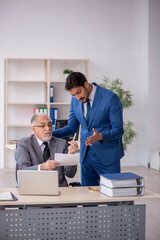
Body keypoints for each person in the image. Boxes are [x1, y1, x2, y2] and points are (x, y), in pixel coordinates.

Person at [53, 72, 124, 186]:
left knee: (112, 199)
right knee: (88, 198)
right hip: (86, 157)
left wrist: (100, 136)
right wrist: (48, 134)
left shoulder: (110, 98)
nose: (77, 97)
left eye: (78, 92)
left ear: (86, 84)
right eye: (73, 95)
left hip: (108, 156)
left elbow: (119, 130)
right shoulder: (76, 100)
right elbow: (71, 128)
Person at [15, 113, 78, 187]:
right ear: (34, 129)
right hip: (33, 187)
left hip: (58, 188)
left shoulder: (62, 143)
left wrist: (70, 156)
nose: (48, 128)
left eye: (49, 125)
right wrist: (42, 167)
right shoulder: (24, 143)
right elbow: (23, 170)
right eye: (42, 126)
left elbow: (70, 174)